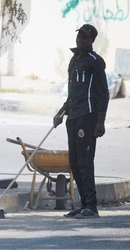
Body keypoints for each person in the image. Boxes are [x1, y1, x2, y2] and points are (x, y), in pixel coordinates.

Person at [53, 24, 109, 219]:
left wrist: (100, 121)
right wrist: (61, 112)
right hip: (73, 117)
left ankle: (92, 206)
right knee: (75, 163)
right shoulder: (74, 60)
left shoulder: (95, 62)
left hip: (88, 117)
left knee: (85, 161)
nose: (80, 40)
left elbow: (103, 94)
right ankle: (84, 204)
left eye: (84, 37)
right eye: (79, 36)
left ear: (92, 40)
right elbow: (72, 94)